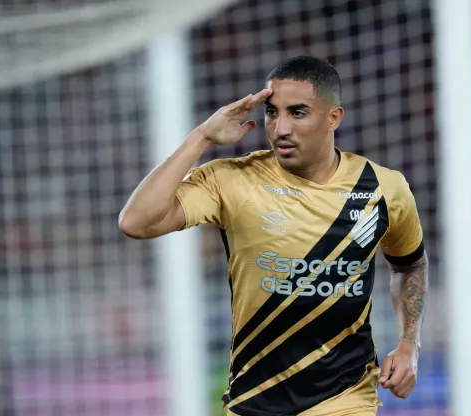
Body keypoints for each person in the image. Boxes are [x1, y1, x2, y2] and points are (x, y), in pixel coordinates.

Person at [119, 56, 429, 416]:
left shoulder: (383, 188)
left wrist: (409, 344)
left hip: (345, 397)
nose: (280, 127)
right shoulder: (232, 180)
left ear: (334, 118)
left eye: (297, 113)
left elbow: (409, 265)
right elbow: (136, 222)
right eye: (271, 112)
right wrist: (201, 136)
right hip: (254, 399)